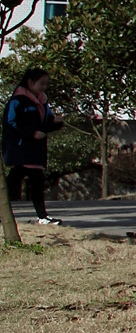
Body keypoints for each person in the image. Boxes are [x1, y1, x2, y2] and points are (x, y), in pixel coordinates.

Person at [5, 67, 65, 226]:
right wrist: (31, 133)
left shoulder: (43, 102)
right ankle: (40, 216)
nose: (44, 87)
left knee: (36, 182)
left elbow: (46, 124)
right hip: (21, 150)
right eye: (41, 83)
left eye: (46, 84)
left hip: (36, 150)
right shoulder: (17, 101)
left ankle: (42, 217)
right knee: (13, 183)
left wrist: (56, 123)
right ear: (30, 82)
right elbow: (10, 124)